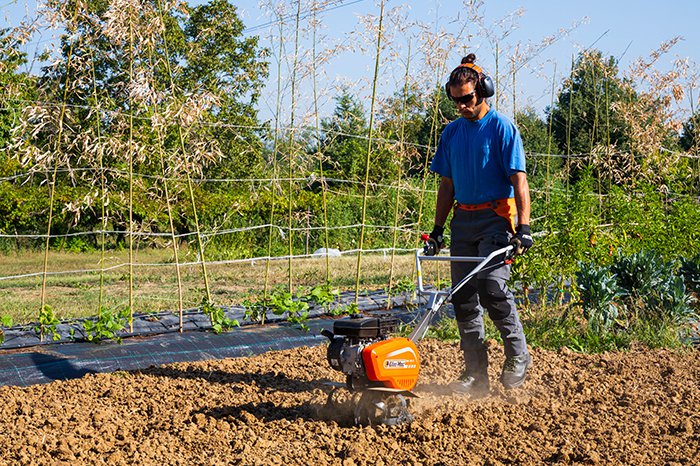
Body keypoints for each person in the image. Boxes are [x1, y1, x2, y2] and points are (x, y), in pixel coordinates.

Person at [427, 53, 533, 396]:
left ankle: (518, 355)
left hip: (496, 219)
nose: (461, 106)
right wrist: (439, 230)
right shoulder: (452, 133)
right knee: (462, 298)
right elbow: (446, 186)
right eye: (455, 100)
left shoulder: (503, 128)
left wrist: (524, 227)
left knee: (492, 287)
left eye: (467, 99)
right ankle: (475, 374)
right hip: (463, 220)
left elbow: (519, 182)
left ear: (483, 91)